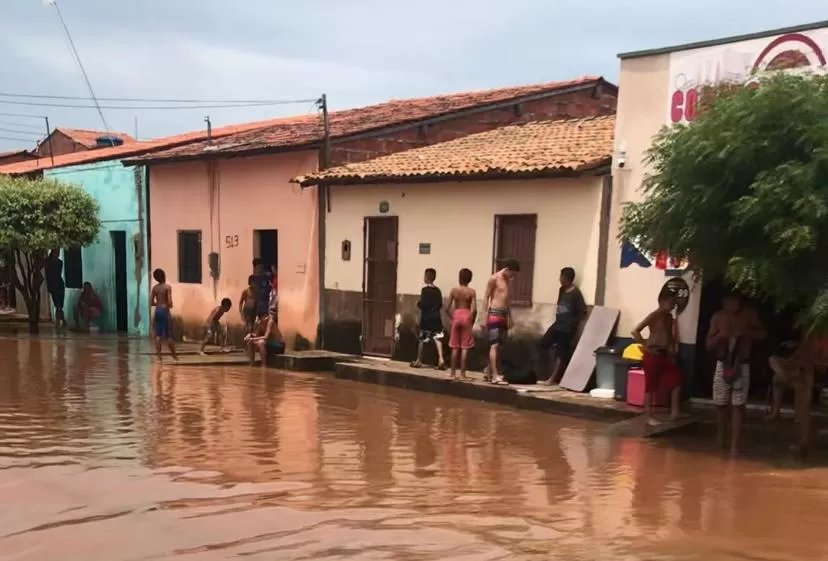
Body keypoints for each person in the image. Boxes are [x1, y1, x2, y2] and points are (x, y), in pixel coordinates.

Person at [706, 293, 766, 456]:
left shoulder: (748, 315)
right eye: (730, 300)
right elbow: (708, 344)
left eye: (736, 300)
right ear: (724, 301)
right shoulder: (718, 317)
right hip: (723, 362)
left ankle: (734, 445)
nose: (734, 304)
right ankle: (720, 440)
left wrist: (745, 333)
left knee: (738, 405)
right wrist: (720, 336)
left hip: (741, 364)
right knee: (720, 404)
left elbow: (763, 334)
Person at [632, 291, 682, 426]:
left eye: (674, 303)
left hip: (665, 353)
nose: (673, 305)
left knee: (676, 381)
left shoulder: (669, 317)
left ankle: (675, 412)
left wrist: (672, 350)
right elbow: (635, 331)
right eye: (670, 302)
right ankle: (648, 416)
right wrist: (645, 346)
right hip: (653, 353)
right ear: (661, 301)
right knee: (650, 386)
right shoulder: (654, 316)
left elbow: (669, 335)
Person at [538, 267, 587, 386]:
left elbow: (583, 311)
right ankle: (548, 373)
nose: (559, 279)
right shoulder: (561, 290)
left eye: (561, 277)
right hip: (557, 325)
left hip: (567, 328)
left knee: (561, 353)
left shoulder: (576, 293)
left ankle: (553, 379)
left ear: (566, 278)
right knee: (542, 344)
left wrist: (572, 323)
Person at [482, 259, 520, 385]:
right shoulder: (494, 278)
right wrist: (483, 317)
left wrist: (510, 317)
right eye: (512, 274)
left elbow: (506, 300)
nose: (513, 277)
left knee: (500, 346)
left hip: (503, 314)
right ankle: (494, 376)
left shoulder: (507, 280)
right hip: (494, 313)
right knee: (494, 345)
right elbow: (486, 297)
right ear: (507, 270)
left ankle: (489, 371)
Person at [411, 268, 446, 369]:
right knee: (437, 338)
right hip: (436, 318)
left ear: (426, 277)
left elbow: (423, 304)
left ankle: (418, 360)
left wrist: (418, 303)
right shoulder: (438, 291)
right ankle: (441, 359)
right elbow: (440, 304)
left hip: (426, 318)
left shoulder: (424, 290)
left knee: (422, 339)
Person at [447, 268, 477, 380]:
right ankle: (463, 374)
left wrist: (453, 318)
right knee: (465, 347)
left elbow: (446, 308)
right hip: (466, 316)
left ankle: (453, 373)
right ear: (470, 279)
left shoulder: (454, 290)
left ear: (459, 278)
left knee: (454, 347)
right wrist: (471, 320)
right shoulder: (471, 292)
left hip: (456, 315)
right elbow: (474, 309)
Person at [150, 268, 178, 362]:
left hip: (157, 310)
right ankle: (174, 356)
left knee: (158, 335)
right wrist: (168, 305)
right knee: (169, 335)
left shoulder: (155, 288)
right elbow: (170, 302)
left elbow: (151, 302)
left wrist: (158, 304)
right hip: (165, 311)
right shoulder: (167, 287)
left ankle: (159, 357)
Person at [44, 249, 67, 331]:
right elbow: (47, 275)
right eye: (56, 253)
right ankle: (62, 321)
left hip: (60, 284)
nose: (57, 254)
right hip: (53, 285)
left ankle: (60, 322)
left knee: (60, 304)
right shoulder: (48, 262)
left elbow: (58, 273)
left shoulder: (60, 262)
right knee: (58, 304)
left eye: (58, 253)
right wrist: (48, 287)